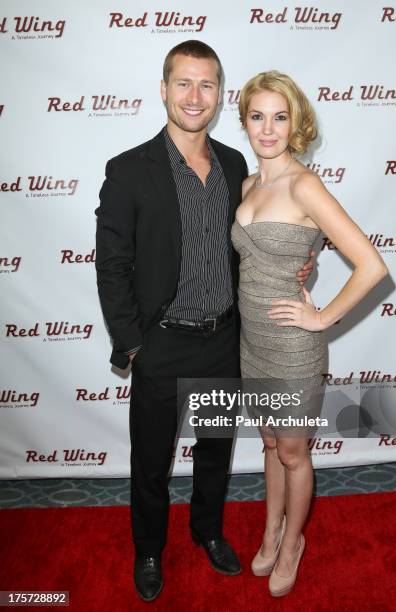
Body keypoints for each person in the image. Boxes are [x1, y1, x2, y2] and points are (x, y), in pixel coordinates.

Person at [95, 44, 314, 602]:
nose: (195, 96)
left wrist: (297, 263)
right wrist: (133, 345)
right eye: (184, 84)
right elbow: (112, 266)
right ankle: (148, 549)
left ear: (221, 95)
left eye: (208, 85)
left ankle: (208, 532)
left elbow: (251, 241)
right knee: (151, 461)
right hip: (161, 345)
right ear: (164, 89)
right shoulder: (128, 171)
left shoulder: (236, 165)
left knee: (215, 450)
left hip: (223, 339)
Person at [231, 70, 388, 597]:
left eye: (279, 117)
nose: (268, 130)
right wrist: (307, 263)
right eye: (257, 117)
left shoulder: (304, 184)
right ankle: (271, 528)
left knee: (295, 452)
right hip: (251, 343)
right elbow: (274, 255)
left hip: (294, 348)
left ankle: (293, 540)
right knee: (272, 444)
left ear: (295, 123)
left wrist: (321, 319)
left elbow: (370, 265)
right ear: (245, 122)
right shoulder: (251, 183)